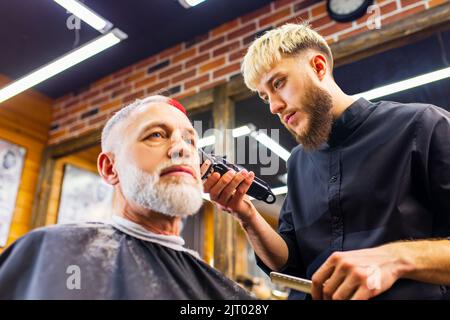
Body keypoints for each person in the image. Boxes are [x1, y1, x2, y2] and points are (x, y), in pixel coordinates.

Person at [201, 23, 450, 300]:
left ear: (319, 67)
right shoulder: (298, 161)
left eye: (278, 83)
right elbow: (291, 262)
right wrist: (246, 215)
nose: (274, 106)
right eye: (265, 97)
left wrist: (396, 258)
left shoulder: (423, 125)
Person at [0, 95, 252, 300]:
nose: (182, 148)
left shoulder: (224, 291)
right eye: (156, 134)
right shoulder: (51, 252)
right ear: (110, 168)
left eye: (190, 140)